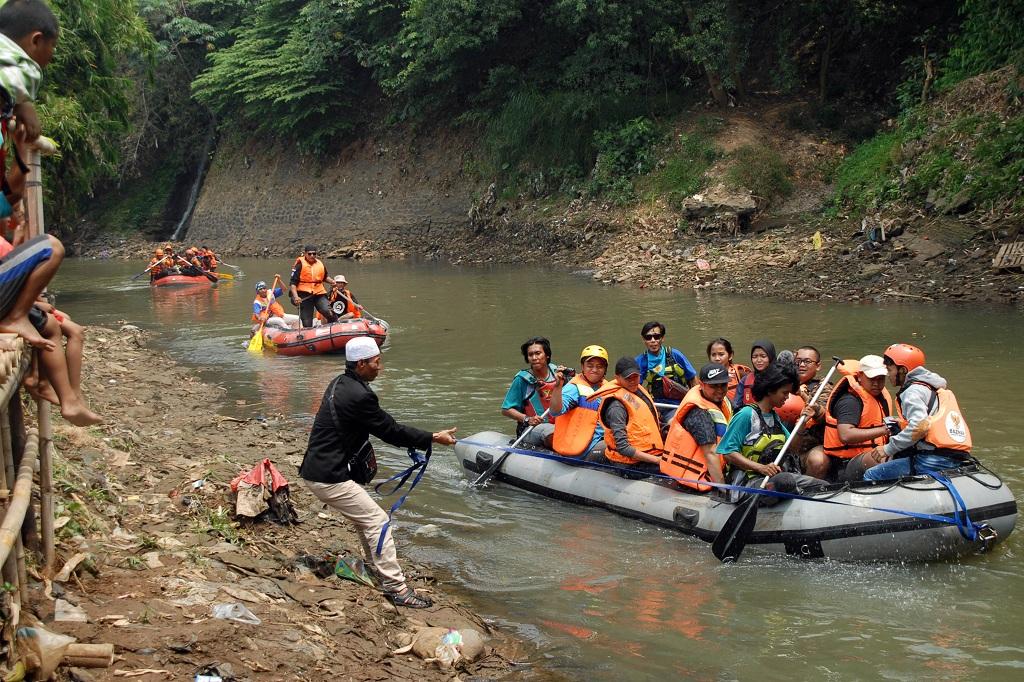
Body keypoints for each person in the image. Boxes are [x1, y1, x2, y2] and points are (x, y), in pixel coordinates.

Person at [299, 337, 457, 609]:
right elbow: (390, 430)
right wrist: (433, 437)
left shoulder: (339, 383)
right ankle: (397, 589)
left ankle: (375, 568)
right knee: (378, 521)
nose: (379, 367)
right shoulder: (360, 395)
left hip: (320, 468)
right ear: (361, 363)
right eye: (376, 362)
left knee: (367, 520)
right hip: (329, 476)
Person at [863, 344, 973, 481]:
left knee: (872, 474)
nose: (888, 374)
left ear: (902, 370)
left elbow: (919, 426)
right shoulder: (930, 386)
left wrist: (887, 449)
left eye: (889, 369)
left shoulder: (912, 392)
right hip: (954, 457)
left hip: (932, 459)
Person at [821, 354, 899, 482]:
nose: (877, 384)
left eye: (881, 379)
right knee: (879, 457)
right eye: (872, 378)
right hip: (845, 464)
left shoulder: (880, 397)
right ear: (861, 376)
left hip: (869, 453)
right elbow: (846, 435)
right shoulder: (850, 401)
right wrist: (884, 430)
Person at [529, 344, 615, 458]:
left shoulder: (609, 388)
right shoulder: (573, 388)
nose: (594, 370)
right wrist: (557, 387)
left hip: (598, 439)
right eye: (590, 365)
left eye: (599, 366)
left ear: (605, 369)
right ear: (582, 367)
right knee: (617, 447)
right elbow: (555, 411)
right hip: (582, 448)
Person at [663, 362, 733, 490]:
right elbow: (711, 453)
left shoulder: (721, 400)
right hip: (697, 477)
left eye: (723, 385)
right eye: (714, 386)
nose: (720, 390)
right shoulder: (699, 414)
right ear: (701, 384)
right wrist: (724, 489)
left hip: (720, 463)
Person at [594, 357, 665, 475]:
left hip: (649, 453)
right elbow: (623, 448)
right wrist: (658, 460)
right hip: (628, 463)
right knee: (672, 471)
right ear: (617, 378)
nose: (633, 381)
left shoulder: (636, 391)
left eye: (635, 377)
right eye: (628, 378)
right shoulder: (616, 407)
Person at [634, 321, 697, 419]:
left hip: (678, 404)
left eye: (656, 336)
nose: (653, 340)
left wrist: (696, 402)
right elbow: (634, 387)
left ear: (662, 338)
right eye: (648, 337)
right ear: (644, 340)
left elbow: (692, 379)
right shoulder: (640, 361)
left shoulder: (675, 355)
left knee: (672, 421)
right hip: (654, 405)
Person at [501, 336, 557, 437]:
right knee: (552, 433)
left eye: (538, 353)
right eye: (530, 355)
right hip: (531, 429)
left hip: (559, 425)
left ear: (547, 355)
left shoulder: (558, 373)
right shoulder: (521, 380)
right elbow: (506, 409)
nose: (534, 358)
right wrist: (527, 419)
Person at [289, 245, 335, 328]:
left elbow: (325, 277)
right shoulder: (299, 265)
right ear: (305, 254)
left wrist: (332, 281)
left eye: (314, 254)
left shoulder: (320, 264)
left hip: (319, 293)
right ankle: (309, 333)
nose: (312, 256)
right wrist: (296, 297)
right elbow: (293, 283)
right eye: (309, 254)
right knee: (307, 322)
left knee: (327, 311)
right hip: (303, 294)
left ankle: (335, 327)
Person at [732, 339, 776, 410]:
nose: (758, 360)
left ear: (770, 357)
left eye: (763, 356)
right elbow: (736, 405)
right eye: (755, 357)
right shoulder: (745, 380)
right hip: (750, 418)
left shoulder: (780, 378)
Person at [707, 337, 751, 404]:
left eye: (721, 354)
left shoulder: (739, 373)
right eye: (713, 355)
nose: (717, 358)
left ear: (730, 355)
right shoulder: (706, 376)